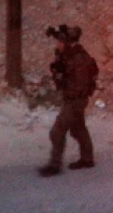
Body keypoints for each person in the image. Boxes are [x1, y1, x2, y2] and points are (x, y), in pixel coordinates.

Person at [38, 25, 99, 176]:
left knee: (57, 131)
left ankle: (54, 165)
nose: (58, 45)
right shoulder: (72, 56)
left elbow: (80, 83)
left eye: (60, 42)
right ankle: (87, 159)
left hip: (74, 101)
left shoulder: (78, 59)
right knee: (78, 129)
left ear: (67, 42)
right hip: (75, 99)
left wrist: (63, 79)